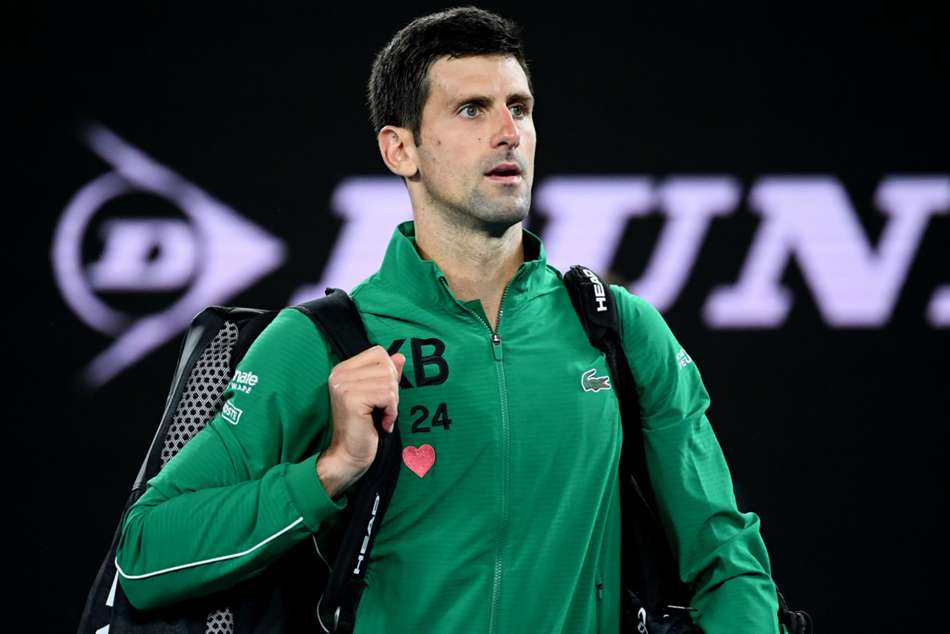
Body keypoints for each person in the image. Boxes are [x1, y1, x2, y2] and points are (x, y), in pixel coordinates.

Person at [116, 7, 782, 632]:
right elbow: (144, 555)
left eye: (519, 107)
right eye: (471, 109)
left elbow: (725, 558)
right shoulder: (322, 343)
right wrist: (332, 469)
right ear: (400, 150)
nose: (508, 133)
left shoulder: (617, 330)